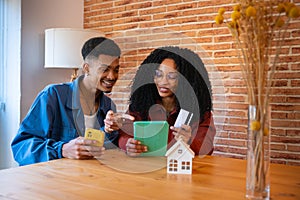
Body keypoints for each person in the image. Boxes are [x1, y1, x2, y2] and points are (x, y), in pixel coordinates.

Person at [11, 37, 132, 166]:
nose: (112, 76)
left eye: (116, 70)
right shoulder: (54, 95)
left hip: (88, 177)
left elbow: (103, 148)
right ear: (86, 68)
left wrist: (110, 130)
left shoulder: (108, 105)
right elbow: (21, 147)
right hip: (52, 179)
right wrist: (63, 149)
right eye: (104, 69)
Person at [118, 46, 216, 156]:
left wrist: (189, 141)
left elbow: (206, 148)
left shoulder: (201, 113)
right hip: (146, 167)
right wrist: (128, 144)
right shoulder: (140, 106)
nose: (163, 82)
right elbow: (124, 135)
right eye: (158, 75)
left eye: (172, 76)